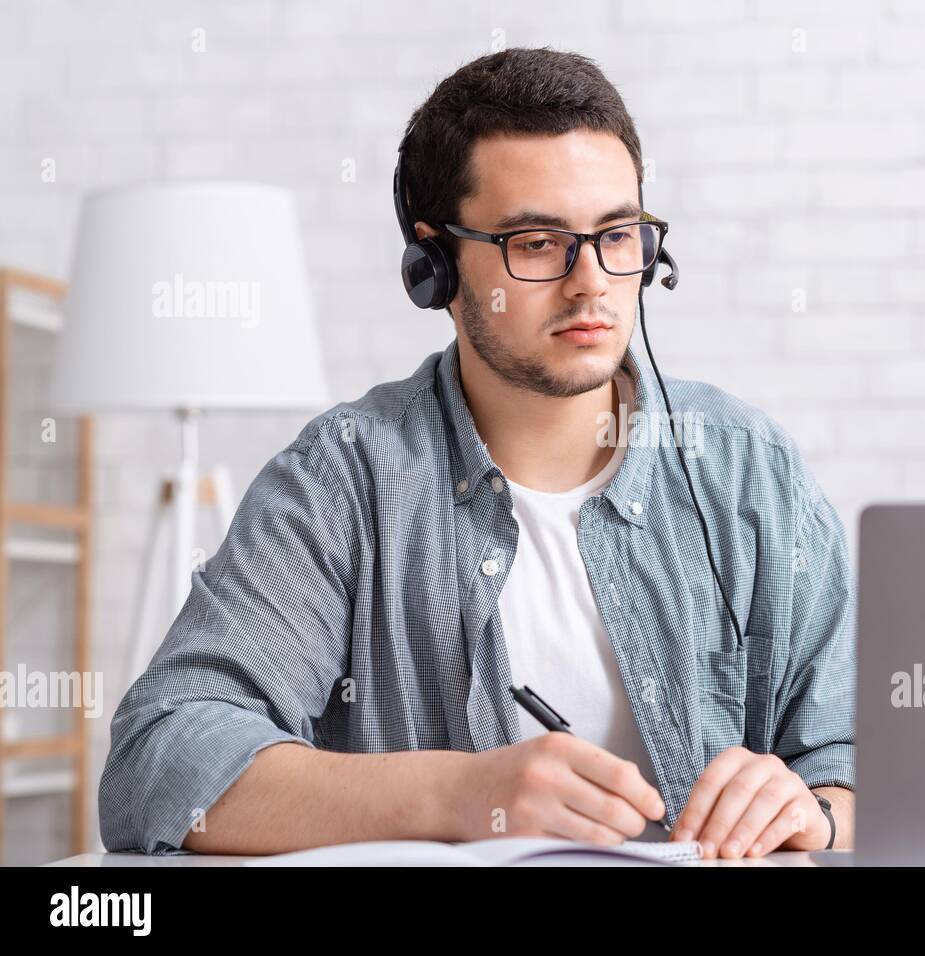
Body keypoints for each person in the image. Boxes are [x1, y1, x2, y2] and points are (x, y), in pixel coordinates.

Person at [99, 46, 855, 861]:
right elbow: (159, 763)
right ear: (435, 268)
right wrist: (461, 795)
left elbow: (870, 765)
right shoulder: (344, 479)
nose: (591, 283)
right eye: (536, 243)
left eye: (617, 234)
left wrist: (819, 812)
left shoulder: (748, 470)